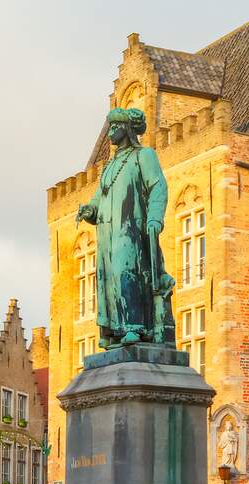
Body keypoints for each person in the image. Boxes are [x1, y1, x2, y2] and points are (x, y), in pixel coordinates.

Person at [75, 107, 174, 347]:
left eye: (115, 126)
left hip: (129, 229)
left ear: (127, 129)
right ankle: (114, 330)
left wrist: (155, 218)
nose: (111, 131)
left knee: (126, 271)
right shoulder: (110, 166)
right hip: (106, 232)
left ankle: (134, 326)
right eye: (110, 126)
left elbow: (158, 186)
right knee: (107, 277)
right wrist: (90, 210)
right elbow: (99, 197)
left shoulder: (144, 156)